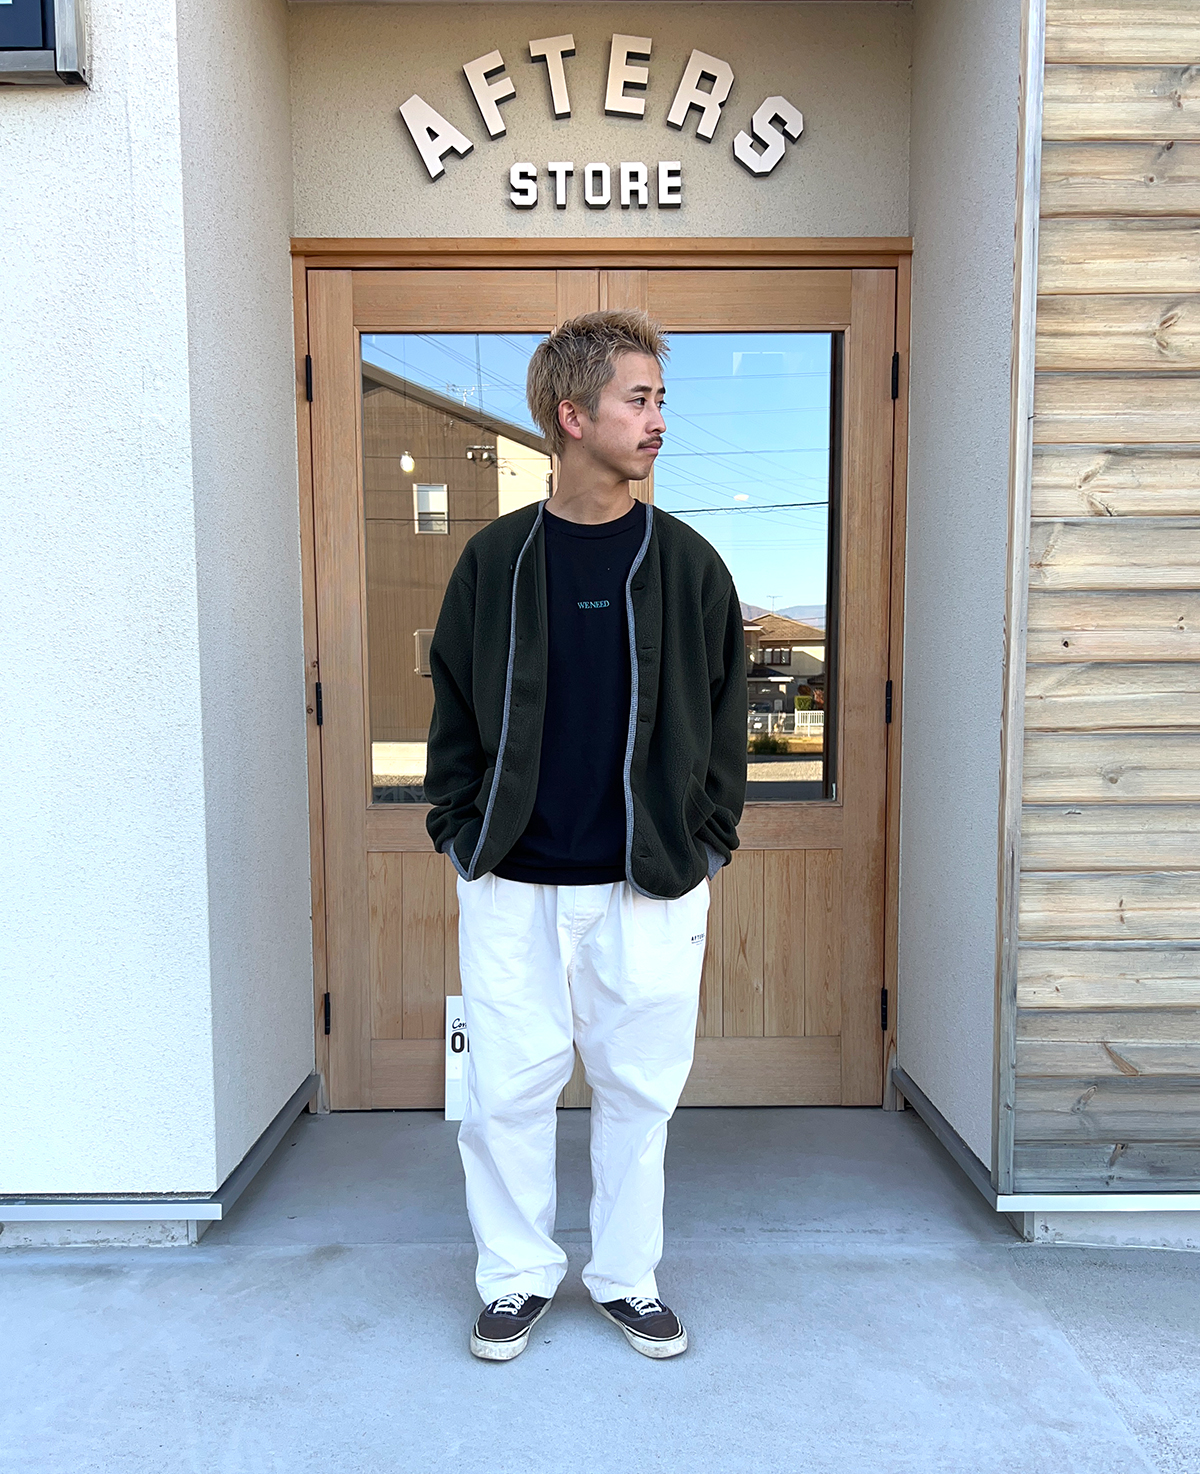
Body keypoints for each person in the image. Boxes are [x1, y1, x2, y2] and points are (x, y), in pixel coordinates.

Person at [424, 311, 746, 1362]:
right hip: (511, 882)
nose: (659, 420)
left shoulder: (688, 564)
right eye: (638, 399)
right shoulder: (496, 560)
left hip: (649, 885)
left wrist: (706, 839)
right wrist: (460, 828)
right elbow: (453, 708)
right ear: (573, 416)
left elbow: (727, 716)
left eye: (660, 399)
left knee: (640, 1095)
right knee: (503, 1098)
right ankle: (516, 1277)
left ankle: (625, 1278)